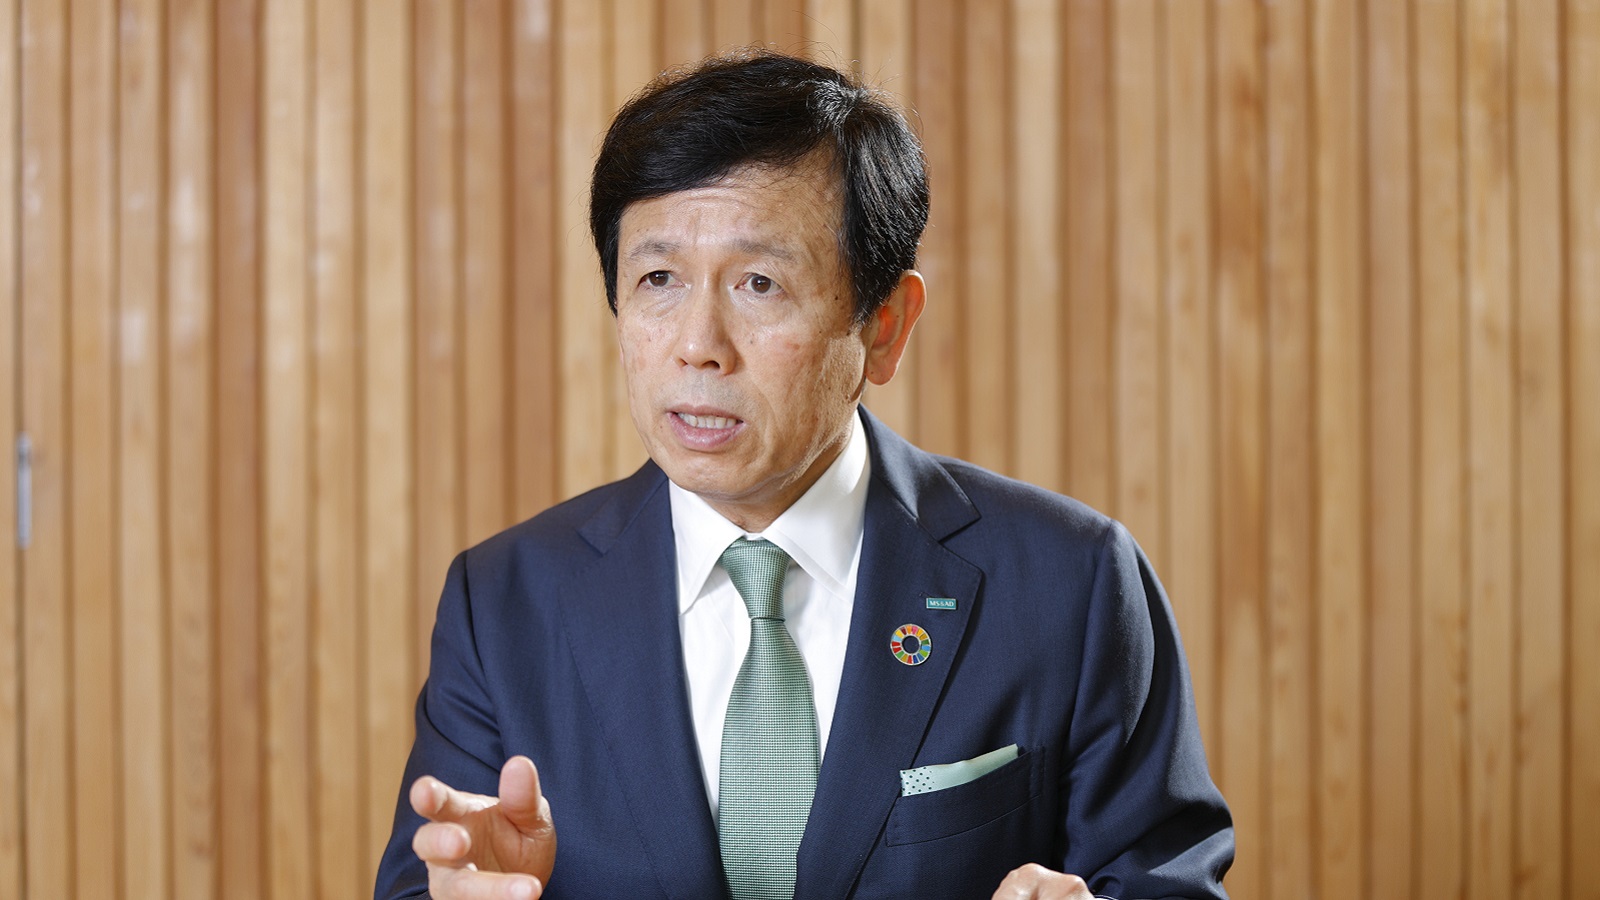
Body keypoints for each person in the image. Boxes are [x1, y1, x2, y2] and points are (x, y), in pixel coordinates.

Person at [375, 49, 1232, 900]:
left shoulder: (1071, 582)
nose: (698, 345)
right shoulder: (505, 605)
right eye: (658, 279)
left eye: (759, 283)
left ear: (885, 325)